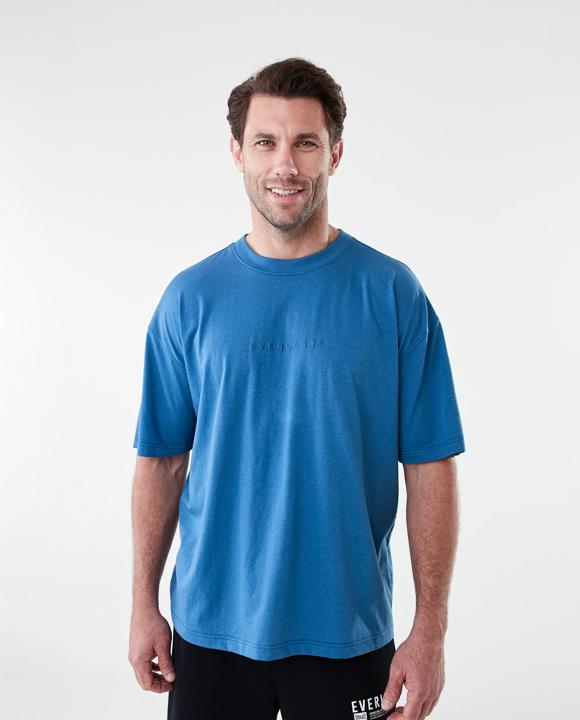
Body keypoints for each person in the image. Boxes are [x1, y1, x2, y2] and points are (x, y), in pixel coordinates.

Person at [128, 57, 466, 720]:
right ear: (237, 153)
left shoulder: (391, 294)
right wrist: (143, 602)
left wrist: (430, 630)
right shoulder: (190, 299)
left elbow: (431, 466)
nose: (285, 164)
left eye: (305, 143)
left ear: (334, 154)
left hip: (349, 633)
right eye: (266, 141)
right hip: (209, 632)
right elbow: (161, 460)